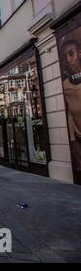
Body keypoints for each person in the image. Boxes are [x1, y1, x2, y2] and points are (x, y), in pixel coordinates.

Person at [60, 38, 81, 171]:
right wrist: (73, 140)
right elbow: (68, 115)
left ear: (79, 53)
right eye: (64, 57)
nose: (68, 60)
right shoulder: (65, 85)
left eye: (71, 54)